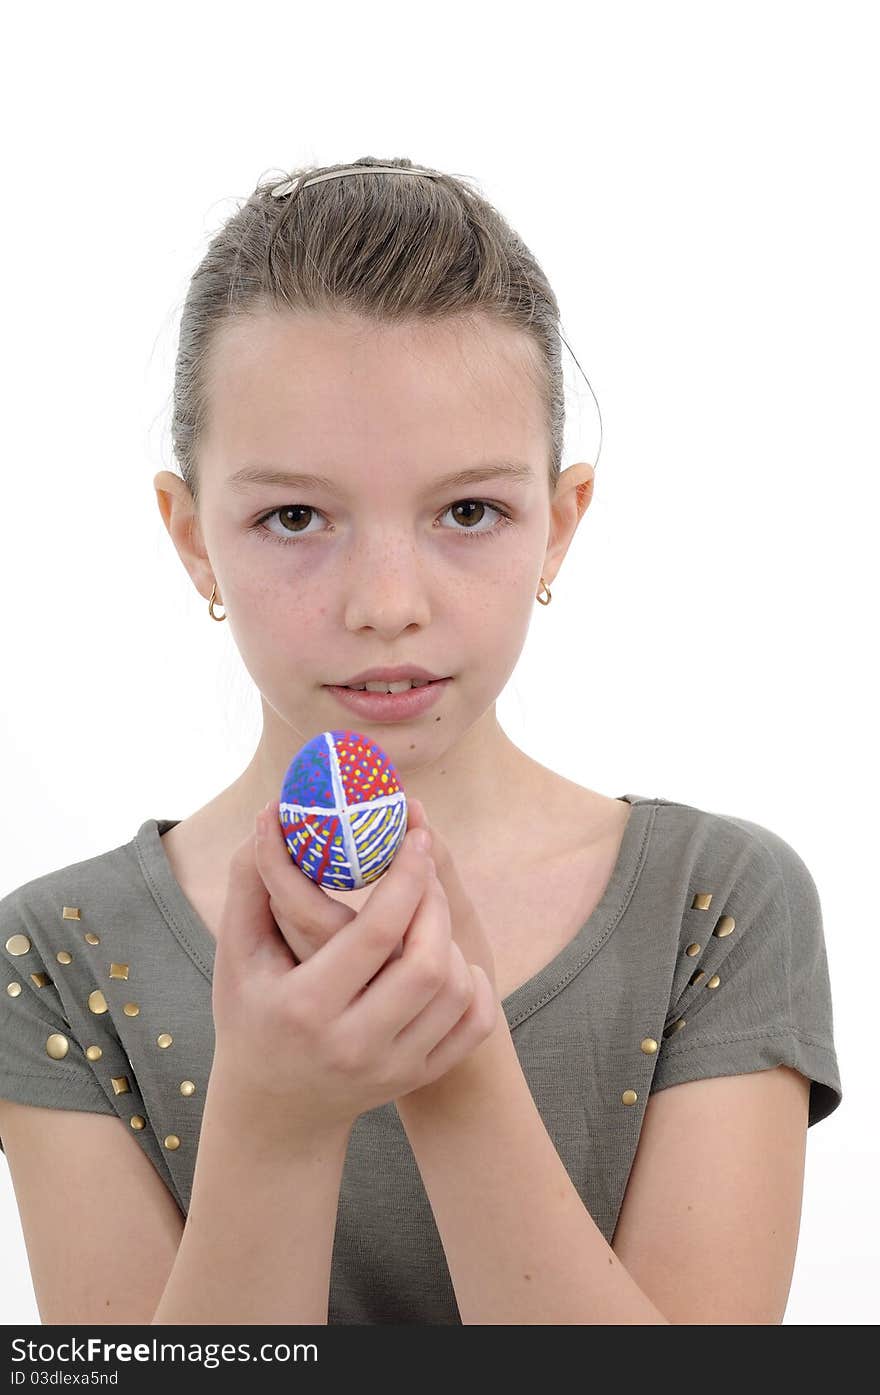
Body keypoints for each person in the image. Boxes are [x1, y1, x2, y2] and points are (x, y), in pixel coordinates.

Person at [0, 157, 842, 1326]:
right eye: (294, 517)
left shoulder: (714, 905)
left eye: (468, 512)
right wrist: (275, 1127)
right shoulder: (59, 955)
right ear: (193, 538)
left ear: (558, 526)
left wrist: (455, 1068)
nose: (385, 602)